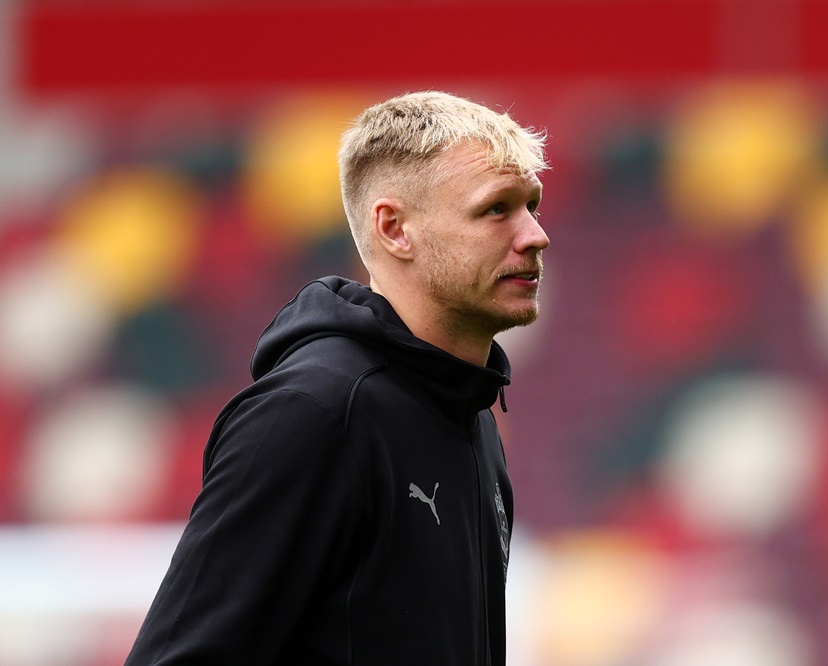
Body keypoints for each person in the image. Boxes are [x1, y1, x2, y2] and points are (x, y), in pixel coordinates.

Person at [124, 90, 551, 665]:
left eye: (533, 206)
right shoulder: (314, 413)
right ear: (395, 229)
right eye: (496, 209)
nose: (534, 235)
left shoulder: (472, 414)